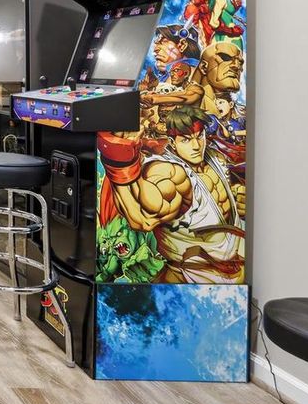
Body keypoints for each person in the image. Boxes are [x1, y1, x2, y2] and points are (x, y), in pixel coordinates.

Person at [99, 104, 245, 284]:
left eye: (199, 136)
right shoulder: (170, 173)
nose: (196, 146)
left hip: (234, 267)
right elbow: (142, 219)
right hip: (190, 278)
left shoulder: (215, 157)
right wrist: (120, 165)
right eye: (185, 140)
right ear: (172, 142)